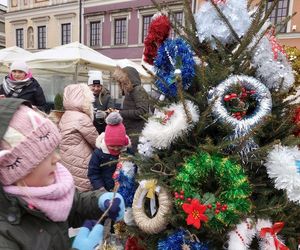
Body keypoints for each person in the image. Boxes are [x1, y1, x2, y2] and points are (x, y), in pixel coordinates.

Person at [0, 98, 125, 250]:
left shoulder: (47, 192)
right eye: (45, 155)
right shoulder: (5, 236)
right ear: (15, 169)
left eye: (54, 150)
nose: (57, 158)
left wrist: (99, 202)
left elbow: (73, 204)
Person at [59, 84, 99, 191]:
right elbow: (96, 141)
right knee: (82, 188)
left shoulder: (66, 115)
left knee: (71, 187)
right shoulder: (81, 118)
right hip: (81, 160)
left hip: (66, 157)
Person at [88, 112, 131, 191]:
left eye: (119, 146)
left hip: (123, 191)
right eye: (112, 146)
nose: (116, 149)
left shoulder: (127, 152)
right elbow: (93, 173)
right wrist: (100, 188)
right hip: (104, 191)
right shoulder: (99, 153)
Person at [112, 66, 150, 152]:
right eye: (120, 82)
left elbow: (143, 112)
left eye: (123, 81)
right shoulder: (131, 91)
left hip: (136, 134)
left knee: (134, 161)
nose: (122, 84)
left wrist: (120, 113)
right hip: (131, 132)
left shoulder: (138, 90)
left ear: (129, 79)